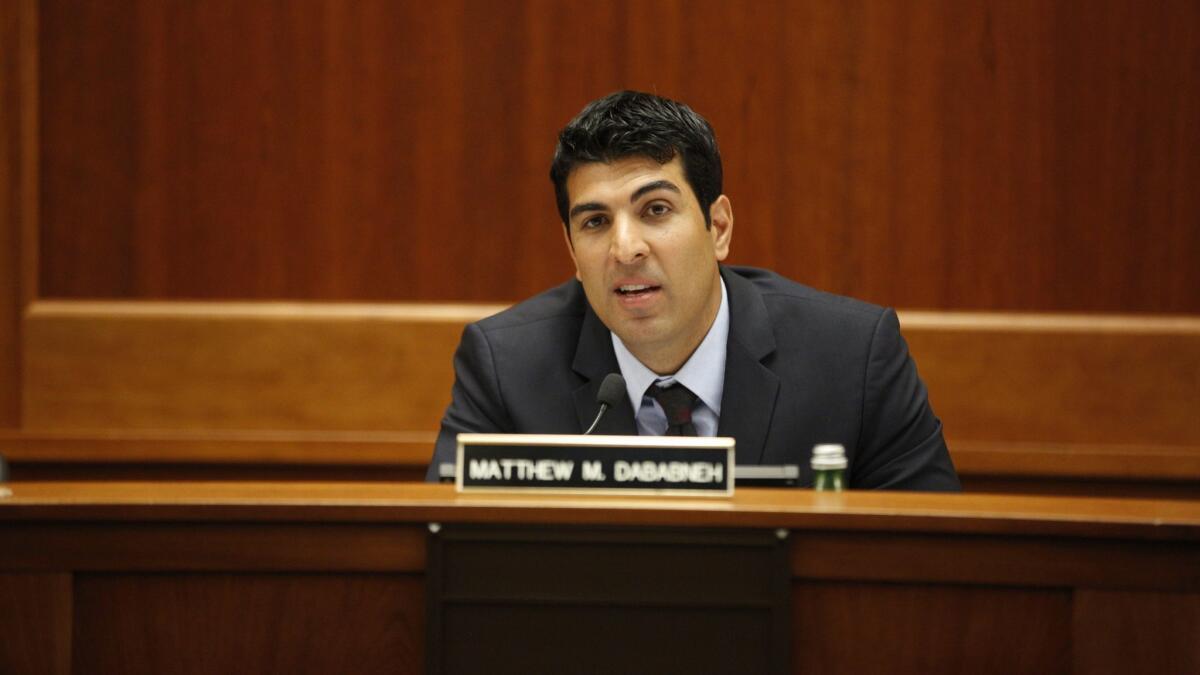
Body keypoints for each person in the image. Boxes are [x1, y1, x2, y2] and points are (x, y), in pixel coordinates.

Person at [425, 91, 960, 490]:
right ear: (571, 249)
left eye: (655, 210)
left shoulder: (853, 356)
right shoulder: (506, 366)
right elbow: (453, 562)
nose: (625, 248)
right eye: (594, 222)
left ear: (718, 227)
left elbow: (931, 557)